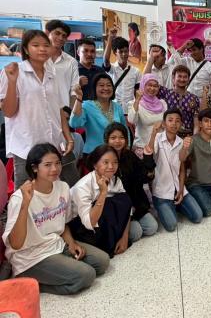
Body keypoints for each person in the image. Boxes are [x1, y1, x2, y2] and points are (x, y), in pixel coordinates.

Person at [2, 143, 110, 294]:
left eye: (57, 163)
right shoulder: (20, 197)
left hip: (55, 245)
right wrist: (25, 205)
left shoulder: (62, 187)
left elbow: (62, 224)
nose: (54, 169)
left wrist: (71, 243)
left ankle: (58, 270)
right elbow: (16, 244)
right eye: (47, 165)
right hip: (31, 257)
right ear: (35, 168)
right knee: (87, 275)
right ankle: (28, 283)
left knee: (102, 262)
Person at [0, 30, 78, 188]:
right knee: (27, 193)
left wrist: (68, 137)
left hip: (54, 144)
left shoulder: (52, 74)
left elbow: (58, 110)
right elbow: (8, 112)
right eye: (36, 45)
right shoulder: (14, 71)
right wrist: (12, 82)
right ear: (26, 49)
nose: (42, 49)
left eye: (46, 45)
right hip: (27, 147)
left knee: (62, 190)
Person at [143, 109, 203, 231]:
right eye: (170, 120)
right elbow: (149, 153)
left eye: (177, 121)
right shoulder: (157, 138)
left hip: (177, 187)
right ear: (164, 123)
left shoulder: (181, 142)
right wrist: (153, 133)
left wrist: (181, 189)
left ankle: (177, 205)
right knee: (172, 225)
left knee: (198, 216)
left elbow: (182, 168)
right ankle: (166, 206)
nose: (174, 123)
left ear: (181, 124)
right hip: (161, 192)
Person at [69, 145, 132, 257]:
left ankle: (113, 238)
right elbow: (89, 223)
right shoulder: (82, 187)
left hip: (106, 221)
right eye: (105, 162)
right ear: (95, 165)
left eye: (115, 162)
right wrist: (103, 193)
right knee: (107, 204)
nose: (111, 167)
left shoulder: (115, 180)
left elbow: (127, 207)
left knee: (135, 230)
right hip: (83, 228)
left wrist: (124, 237)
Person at [104, 123, 158, 242]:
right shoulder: (104, 160)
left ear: (126, 140)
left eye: (121, 137)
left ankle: (133, 222)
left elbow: (144, 177)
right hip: (119, 208)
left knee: (152, 228)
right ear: (107, 140)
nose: (117, 141)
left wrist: (148, 158)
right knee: (136, 233)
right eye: (113, 138)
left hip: (136, 204)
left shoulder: (129, 155)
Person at [145, 48, 200, 136]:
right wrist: (151, 58)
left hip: (188, 138)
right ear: (173, 78)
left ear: (188, 79)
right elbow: (146, 81)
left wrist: (194, 139)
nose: (182, 79)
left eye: (185, 77)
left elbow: (196, 124)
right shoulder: (165, 93)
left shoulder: (194, 98)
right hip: (168, 137)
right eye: (179, 76)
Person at [70, 73, 127, 155]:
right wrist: (79, 98)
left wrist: (126, 147)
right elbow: (74, 124)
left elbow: (124, 129)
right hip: (93, 154)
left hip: (115, 154)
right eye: (101, 85)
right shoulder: (86, 105)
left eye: (109, 85)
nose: (106, 88)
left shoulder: (117, 106)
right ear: (94, 88)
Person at [103, 28, 142, 115]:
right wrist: (110, 38)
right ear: (115, 53)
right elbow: (105, 60)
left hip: (130, 110)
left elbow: (137, 92)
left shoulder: (136, 71)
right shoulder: (112, 69)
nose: (124, 54)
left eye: (126, 51)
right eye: (120, 52)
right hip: (114, 110)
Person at [127, 74, 167, 158]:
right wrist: (137, 100)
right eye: (149, 85)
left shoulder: (163, 103)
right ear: (142, 85)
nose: (152, 88)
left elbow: (166, 123)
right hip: (143, 147)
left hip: (161, 147)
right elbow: (131, 120)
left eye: (155, 86)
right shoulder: (134, 103)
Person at [44, 20, 79, 108]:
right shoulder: (38, 59)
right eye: (57, 33)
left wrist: (70, 113)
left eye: (64, 36)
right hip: (39, 110)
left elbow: (74, 91)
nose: (60, 38)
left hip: (63, 111)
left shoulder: (71, 62)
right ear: (47, 33)